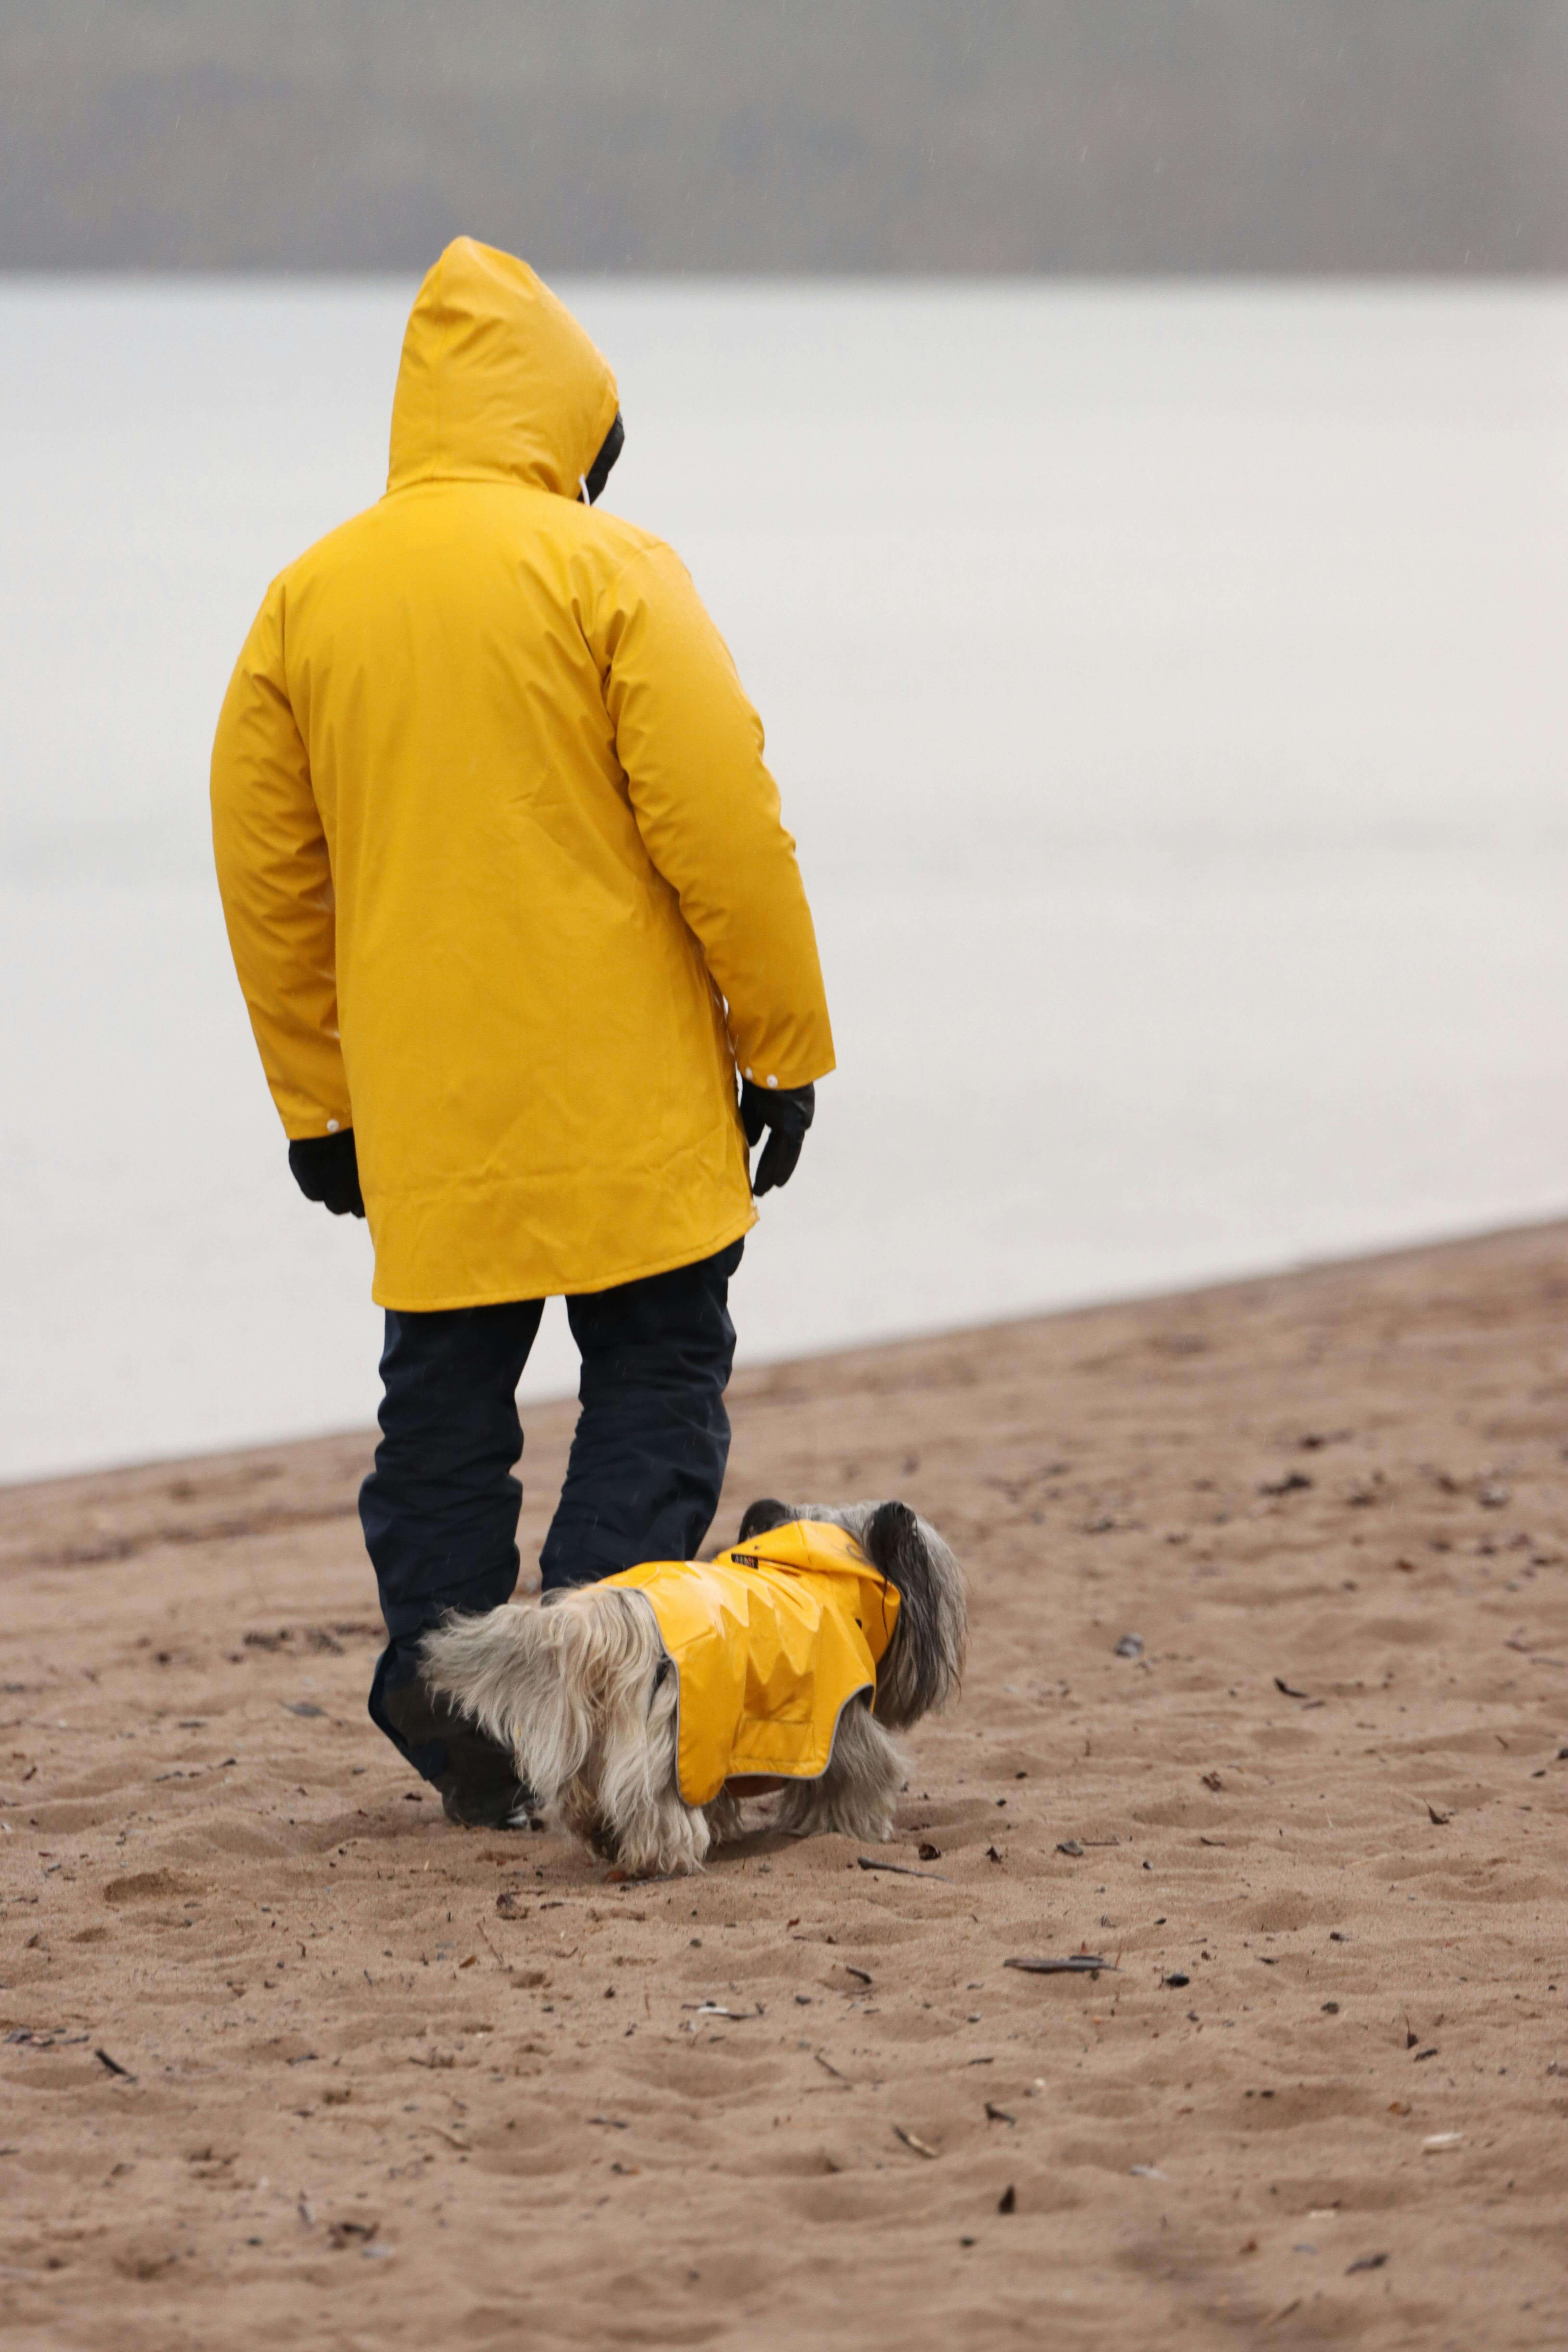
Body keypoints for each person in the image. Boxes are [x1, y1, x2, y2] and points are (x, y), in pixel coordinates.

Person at [211, 237, 834, 1826]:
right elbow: (723, 825)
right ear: (567, 420)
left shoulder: (307, 600)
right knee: (655, 1371)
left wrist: (316, 1104)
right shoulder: (609, 570)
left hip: (433, 1113)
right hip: (626, 1098)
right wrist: (783, 1045)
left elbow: (271, 879)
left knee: (442, 1412)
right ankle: (590, 1665)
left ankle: (459, 1713)